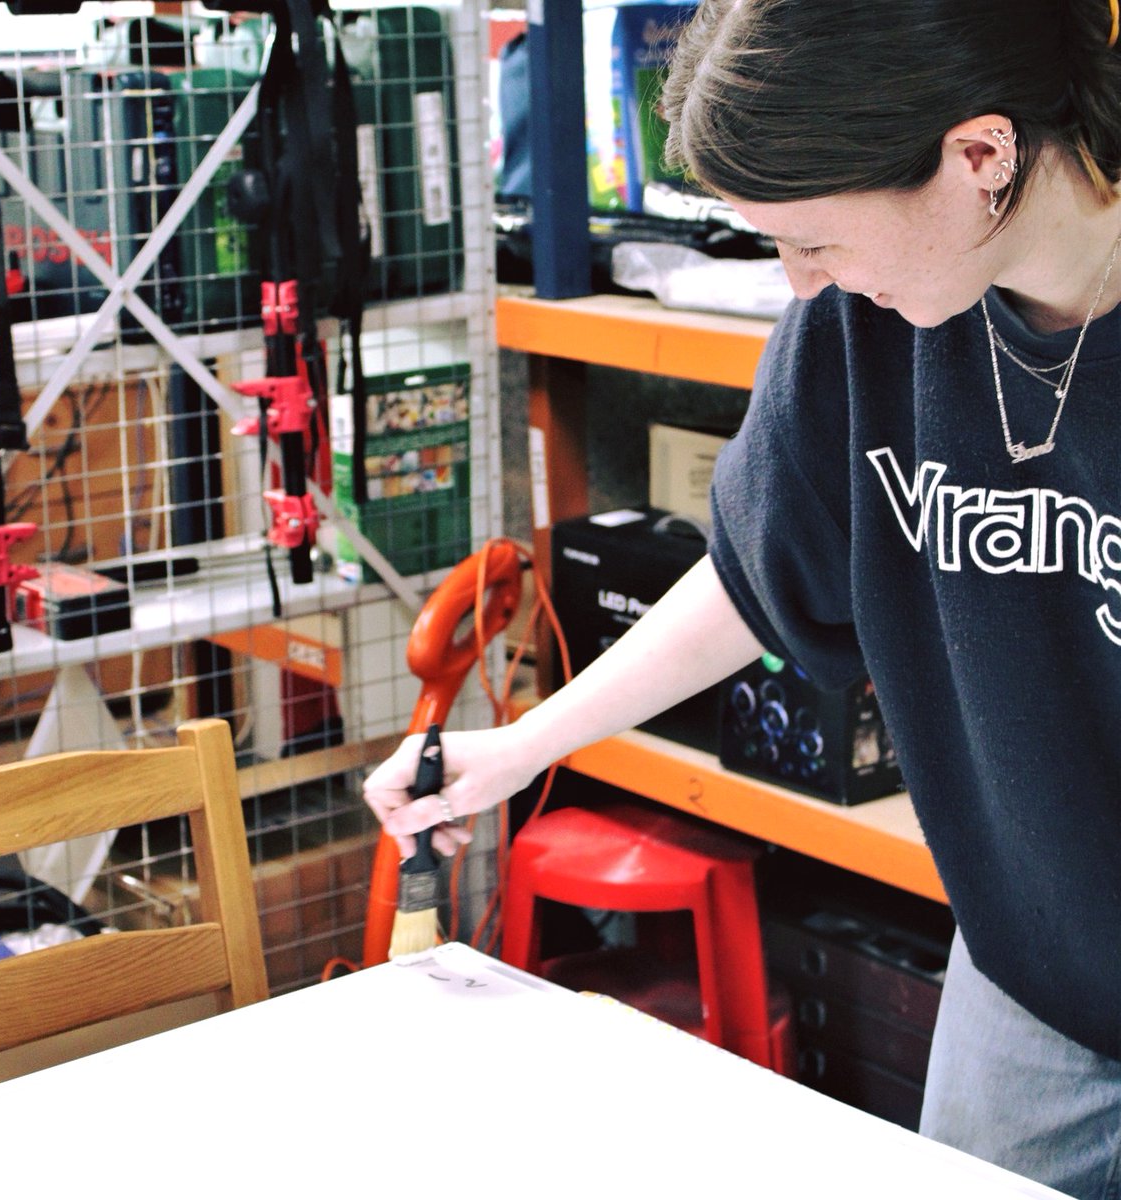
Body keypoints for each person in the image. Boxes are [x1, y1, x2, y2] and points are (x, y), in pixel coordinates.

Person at [364, 1, 1121, 1195]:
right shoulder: (863, 327)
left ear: (981, 157)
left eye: (815, 238)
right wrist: (518, 748)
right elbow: (757, 574)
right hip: (1037, 962)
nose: (799, 280)